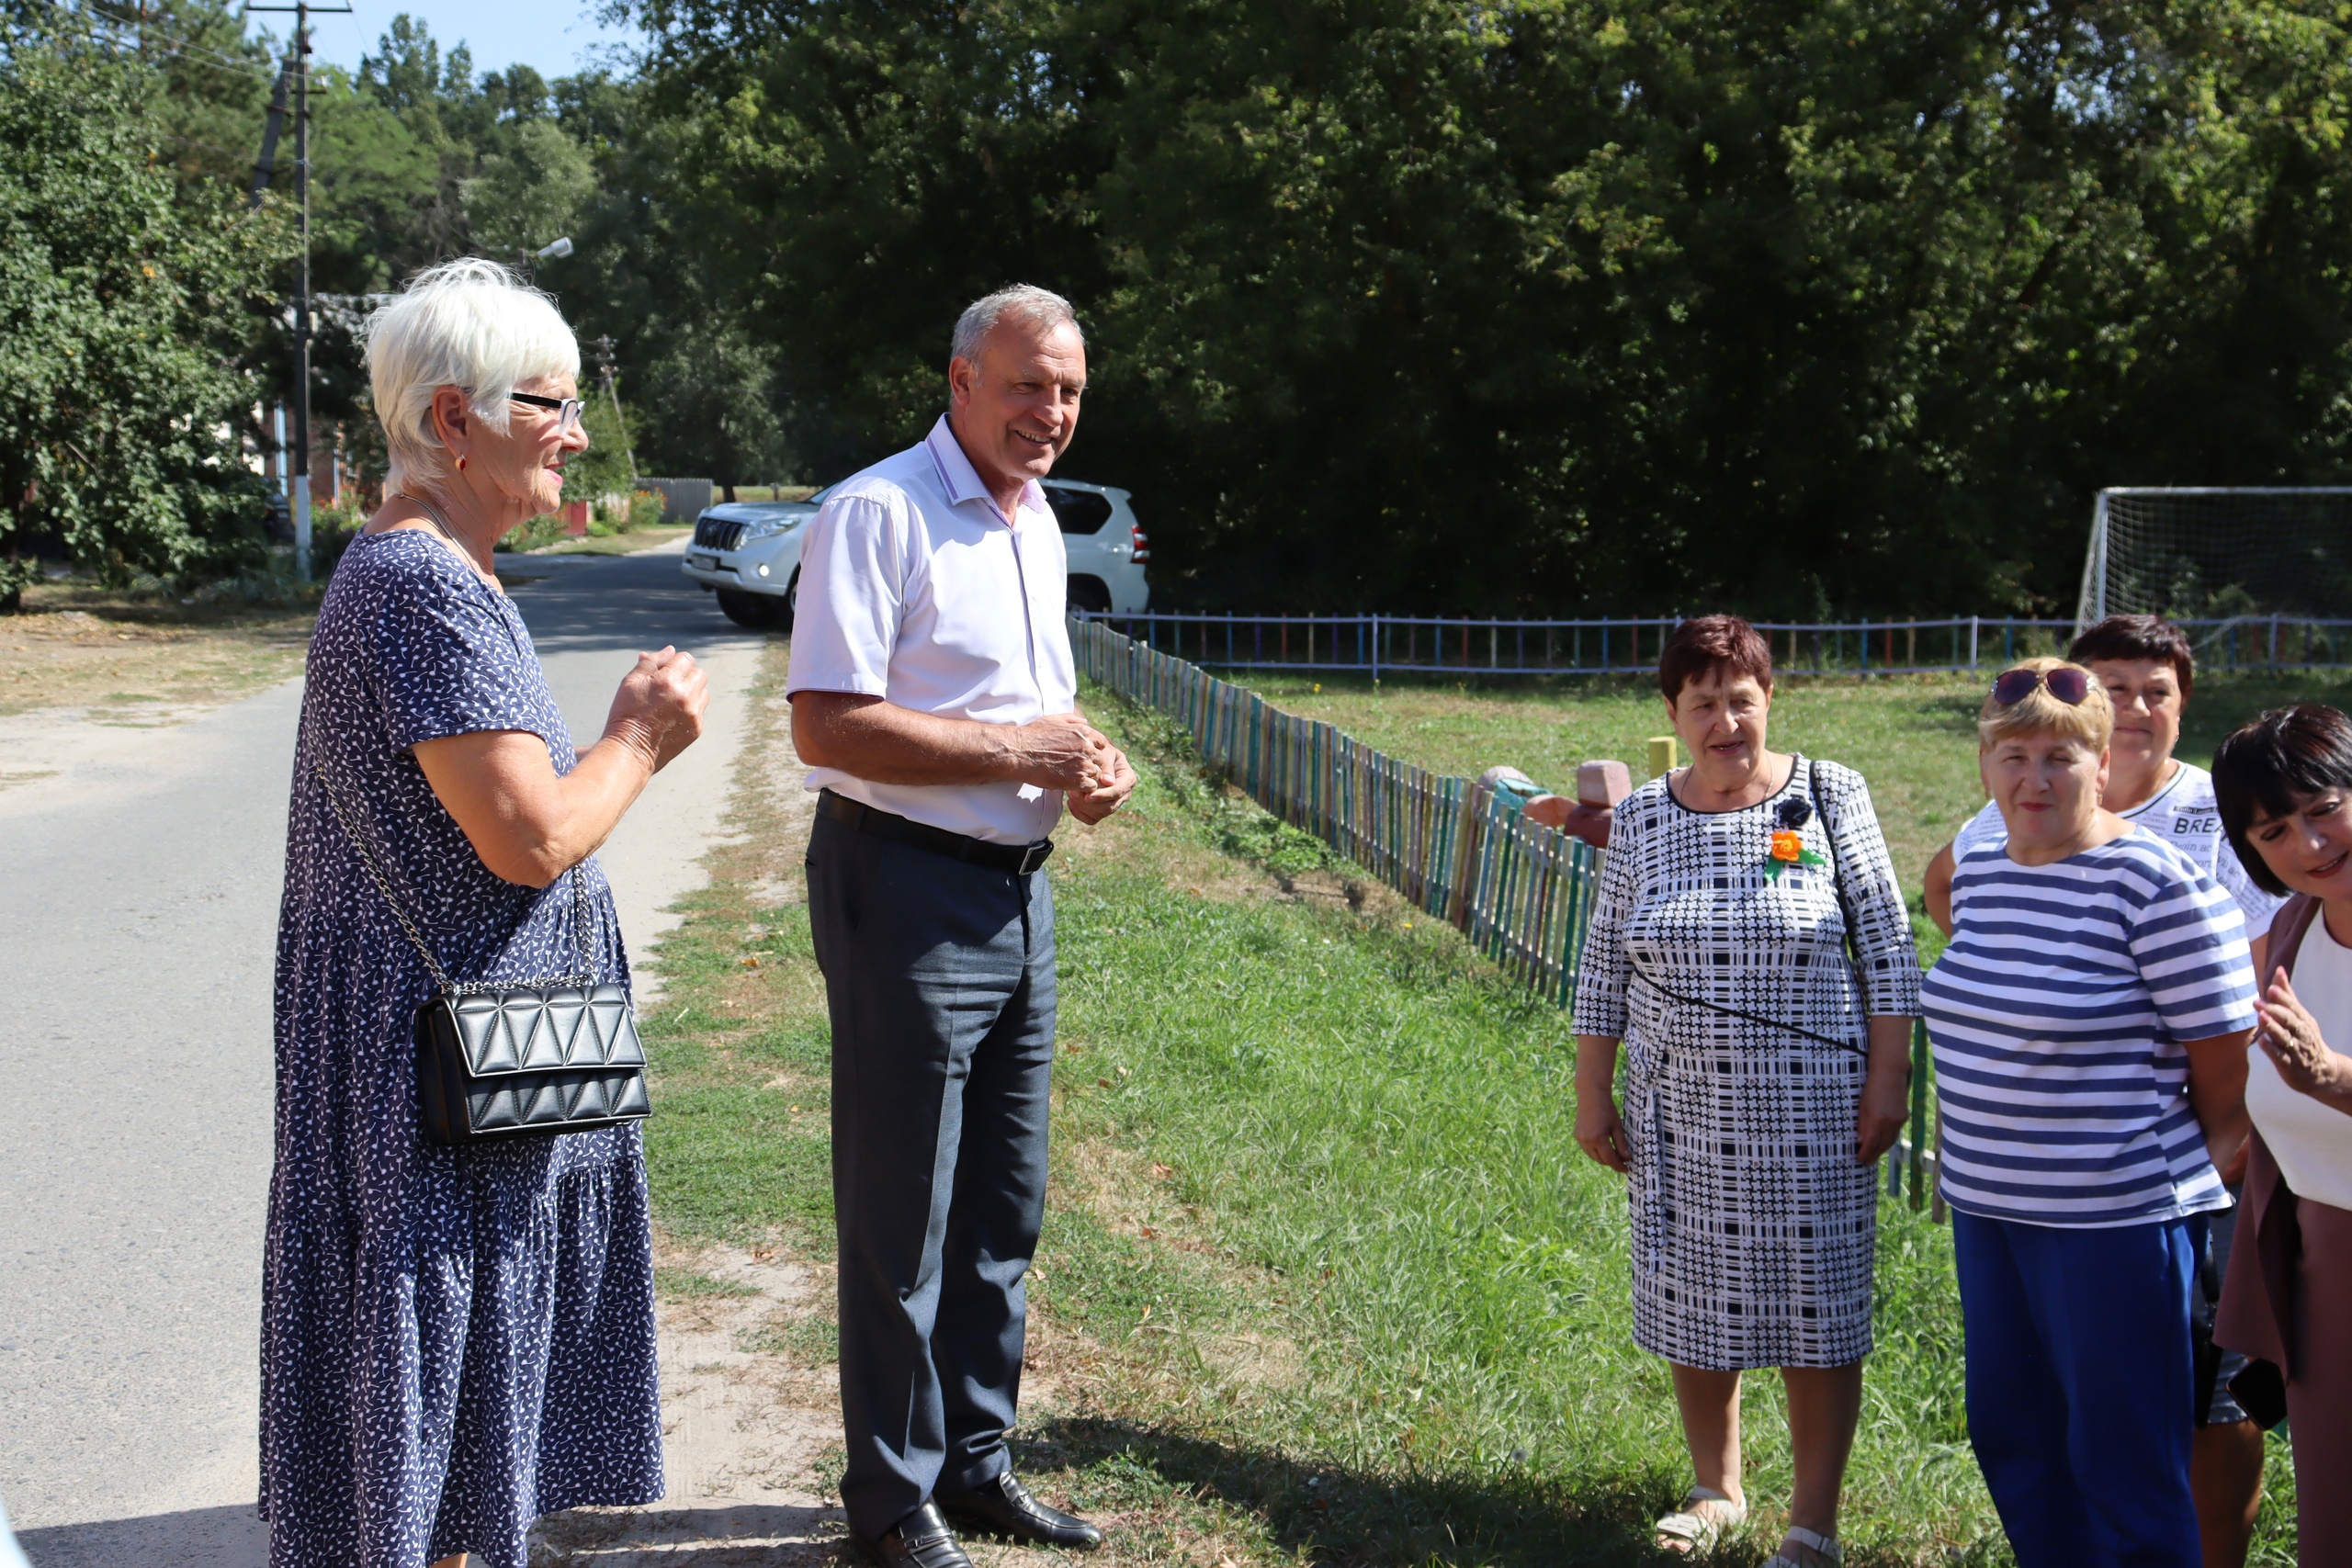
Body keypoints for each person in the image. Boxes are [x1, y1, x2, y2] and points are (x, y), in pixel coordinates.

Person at [262, 259, 707, 1568]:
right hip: (443, 1078)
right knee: (445, 1385)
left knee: (451, 1412)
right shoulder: (425, 585)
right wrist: (639, 733)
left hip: (454, 1058)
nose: (577, 433)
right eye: (550, 406)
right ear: (452, 420)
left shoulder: (434, 565)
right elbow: (531, 837)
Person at [787, 284, 1140, 1568]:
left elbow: (1031, 705)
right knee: (904, 1215)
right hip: (905, 886)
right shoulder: (878, 512)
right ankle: (889, 1500)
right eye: (1026, 386)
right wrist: (1018, 746)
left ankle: (976, 1464)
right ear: (959, 382)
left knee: (1003, 1201)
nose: (1049, 414)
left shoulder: (1034, 517)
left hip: (1016, 886)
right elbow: (827, 724)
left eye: (1067, 391)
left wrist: (1086, 763)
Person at [1923, 615, 2280, 1568]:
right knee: (2017, 1443)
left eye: (2057, 759)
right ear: (1986, 764)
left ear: (2098, 760)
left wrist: (2175, 1181)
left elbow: (2226, 1069)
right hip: (1990, 1215)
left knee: (2125, 1467)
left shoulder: (2156, 886)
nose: (2033, 781)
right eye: (2012, 757)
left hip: (2115, 1229)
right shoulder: (1987, 867)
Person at [1572, 615, 1920, 1568]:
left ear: (1769, 701)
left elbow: (1887, 948)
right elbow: (1602, 966)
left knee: (1817, 1310)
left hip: (1815, 1110)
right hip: (1677, 1111)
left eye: (1740, 699)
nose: (1725, 721)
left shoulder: (1827, 794)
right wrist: (1591, 1094)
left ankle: (1812, 1525)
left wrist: (1887, 1083)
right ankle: (1714, 1488)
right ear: (1673, 714)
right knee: (1695, 1301)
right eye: (1703, 704)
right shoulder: (1643, 815)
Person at [2211, 703, 2352, 1566]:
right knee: (2334, 1508)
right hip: (2324, 1263)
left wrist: (2334, 1077)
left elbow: (2318, 1073)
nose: (2307, 842)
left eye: (2323, 806)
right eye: (2273, 829)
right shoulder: (2293, 931)